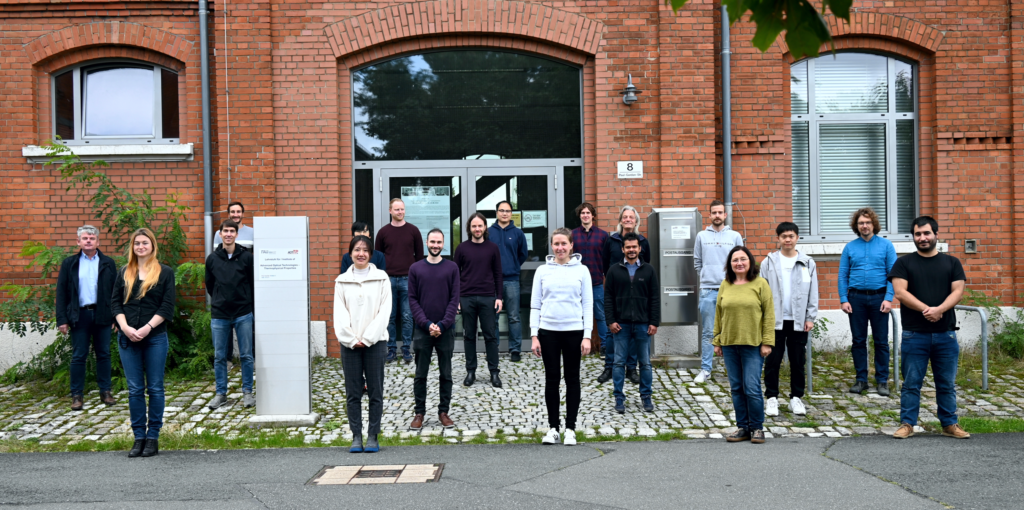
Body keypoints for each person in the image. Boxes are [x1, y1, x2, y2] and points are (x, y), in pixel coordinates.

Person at [890, 216, 969, 440]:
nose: (922, 238)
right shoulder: (904, 263)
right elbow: (900, 293)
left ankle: (949, 424)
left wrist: (940, 310)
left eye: (926, 233)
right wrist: (928, 309)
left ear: (935, 234)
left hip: (946, 334)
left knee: (946, 383)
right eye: (917, 234)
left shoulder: (952, 263)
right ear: (913, 237)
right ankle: (907, 424)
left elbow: (958, 291)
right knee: (911, 383)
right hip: (915, 334)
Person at [111, 228, 176, 458]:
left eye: (145, 243)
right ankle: (138, 437)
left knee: (155, 388)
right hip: (128, 338)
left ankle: (153, 437)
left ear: (152, 246)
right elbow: (115, 304)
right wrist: (126, 328)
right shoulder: (124, 272)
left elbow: (167, 306)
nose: (141, 246)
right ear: (133, 247)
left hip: (155, 338)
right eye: (137, 243)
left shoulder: (165, 273)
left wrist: (147, 328)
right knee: (135, 389)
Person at [531, 228, 592, 446]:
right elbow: (535, 304)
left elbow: (587, 304)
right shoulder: (542, 271)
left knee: (572, 379)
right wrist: (534, 334)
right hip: (548, 332)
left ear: (571, 246)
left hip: (574, 332)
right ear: (552, 246)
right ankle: (553, 428)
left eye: (564, 244)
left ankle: (571, 428)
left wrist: (587, 336)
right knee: (552, 379)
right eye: (556, 244)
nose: (560, 248)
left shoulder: (582, 270)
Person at [333, 235, 392, 453]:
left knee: (375, 391)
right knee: (353, 392)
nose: (361, 254)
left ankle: (373, 436)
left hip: (375, 343)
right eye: (357, 250)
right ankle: (356, 435)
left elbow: (384, 312)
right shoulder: (341, 281)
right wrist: (351, 339)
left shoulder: (382, 278)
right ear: (350, 254)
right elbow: (339, 315)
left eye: (365, 250)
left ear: (371, 254)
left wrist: (367, 338)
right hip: (350, 345)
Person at [714, 245, 774, 444]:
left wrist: (767, 342)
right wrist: (717, 340)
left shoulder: (760, 284)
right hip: (730, 344)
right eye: (735, 260)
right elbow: (719, 314)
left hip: (753, 344)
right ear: (730, 265)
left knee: (752, 387)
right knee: (737, 387)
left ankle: (757, 427)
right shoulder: (725, 284)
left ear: (750, 261)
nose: (739, 263)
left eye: (743, 259)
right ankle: (743, 427)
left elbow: (769, 315)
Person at [56, 225, 118, 411]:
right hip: (79, 315)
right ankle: (76, 395)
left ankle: (105, 391)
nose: (88, 241)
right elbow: (61, 292)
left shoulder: (108, 263)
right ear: (78, 242)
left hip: (103, 314)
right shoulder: (70, 263)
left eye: (92, 238)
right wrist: (62, 319)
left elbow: (115, 292)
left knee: (104, 354)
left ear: (98, 242)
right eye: (85, 238)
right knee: (78, 356)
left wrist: (117, 316)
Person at [760, 222, 818, 417]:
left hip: (798, 320)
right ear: (778, 239)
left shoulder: (807, 262)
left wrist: (810, 316)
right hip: (774, 320)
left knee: (797, 360)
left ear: (797, 238)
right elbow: (761, 292)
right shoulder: (768, 262)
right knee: (772, 361)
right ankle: (772, 398)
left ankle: (796, 398)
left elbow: (813, 292)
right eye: (783, 236)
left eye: (791, 236)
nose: (787, 239)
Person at [838, 207, 897, 395]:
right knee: (858, 341)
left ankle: (882, 381)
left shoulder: (886, 246)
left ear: (874, 224)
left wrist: (889, 299)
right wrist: (843, 299)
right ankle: (861, 380)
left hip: (879, 298)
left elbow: (894, 274)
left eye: (868, 222)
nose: (864, 226)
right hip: (856, 299)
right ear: (857, 226)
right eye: (861, 223)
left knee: (880, 342)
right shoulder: (850, 247)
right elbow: (842, 275)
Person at [408, 229, 461, 431]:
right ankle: (419, 412)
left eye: (439, 242)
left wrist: (442, 325)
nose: (436, 245)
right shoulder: (415, 268)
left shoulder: (452, 268)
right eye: (432, 241)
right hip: (423, 330)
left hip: (445, 330)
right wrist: (426, 323)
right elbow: (412, 299)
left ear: (443, 243)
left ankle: (443, 412)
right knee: (421, 373)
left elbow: (454, 298)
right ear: (426, 243)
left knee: (445, 373)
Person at [604, 232, 660, 414]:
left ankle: (646, 396)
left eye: (634, 247)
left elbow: (655, 298)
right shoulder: (613, 270)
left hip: (644, 324)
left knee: (645, 363)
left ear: (639, 248)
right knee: (618, 363)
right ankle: (619, 397)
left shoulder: (648, 270)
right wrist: (610, 321)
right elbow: (608, 298)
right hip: (621, 325)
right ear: (622, 249)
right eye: (628, 247)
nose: (631, 250)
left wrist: (654, 322)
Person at [205, 220, 256, 410]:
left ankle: (248, 393)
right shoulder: (212, 259)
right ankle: (221, 394)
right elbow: (210, 285)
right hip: (220, 314)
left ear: (236, 234)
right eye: (225, 231)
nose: (228, 234)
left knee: (246, 355)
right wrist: (220, 299)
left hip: (243, 312)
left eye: (232, 231)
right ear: (220, 234)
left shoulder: (246, 257)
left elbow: (252, 283)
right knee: (219, 356)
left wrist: (246, 302)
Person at [694, 199, 744, 384]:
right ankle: (706, 369)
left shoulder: (735, 236)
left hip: (731, 290)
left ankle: (735, 369)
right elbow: (697, 262)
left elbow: (742, 262)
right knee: (708, 332)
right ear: (710, 215)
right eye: (713, 212)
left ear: (725, 215)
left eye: (720, 212)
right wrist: (708, 277)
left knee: (734, 330)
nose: (717, 216)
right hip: (708, 290)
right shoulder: (701, 236)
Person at [601, 205, 651, 384]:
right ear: (620, 220)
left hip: (635, 294)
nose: (628, 219)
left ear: (636, 221)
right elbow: (605, 262)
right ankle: (609, 366)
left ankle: (631, 368)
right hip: (615, 290)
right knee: (611, 330)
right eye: (625, 217)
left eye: (631, 217)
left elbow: (647, 265)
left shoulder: (642, 241)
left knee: (631, 331)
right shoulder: (612, 240)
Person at [454, 213, 504, 388]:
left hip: (488, 297)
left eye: (480, 226)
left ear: (485, 228)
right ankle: (471, 371)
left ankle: (494, 372)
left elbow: (498, 273)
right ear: (469, 228)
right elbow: (456, 275)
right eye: (474, 226)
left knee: (490, 336)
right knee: (469, 335)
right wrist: (457, 299)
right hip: (466, 297)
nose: (477, 229)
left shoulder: (492, 248)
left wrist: (499, 297)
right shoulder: (461, 248)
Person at [375, 198, 424, 364]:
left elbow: (419, 257)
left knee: (407, 316)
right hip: (388, 279)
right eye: (397, 209)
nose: (400, 212)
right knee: (389, 316)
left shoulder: (413, 231)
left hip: (408, 279)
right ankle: (391, 349)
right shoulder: (383, 233)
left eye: (402, 209)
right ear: (390, 211)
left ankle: (406, 349)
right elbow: (378, 258)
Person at [571, 202, 612, 383]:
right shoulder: (572, 235)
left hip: (596, 281)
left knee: (600, 315)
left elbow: (607, 258)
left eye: (588, 213)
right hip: (576, 283)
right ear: (579, 216)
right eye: (583, 213)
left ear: (593, 216)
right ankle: (577, 345)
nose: (586, 215)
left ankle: (604, 347)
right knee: (576, 315)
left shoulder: (603, 236)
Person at [488, 200, 529, 361]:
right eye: (501, 210)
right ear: (497, 212)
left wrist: (513, 266)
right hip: (491, 281)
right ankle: (494, 349)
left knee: (514, 316)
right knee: (493, 316)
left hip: (512, 280)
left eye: (507, 211)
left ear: (511, 213)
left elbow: (523, 254)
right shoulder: (489, 232)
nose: (504, 213)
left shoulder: (518, 233)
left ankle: (515, 350)